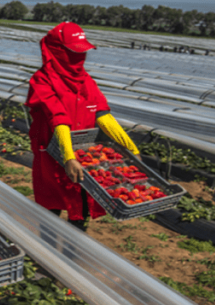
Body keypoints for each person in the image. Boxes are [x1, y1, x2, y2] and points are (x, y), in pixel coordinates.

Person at [25, 21, 139, 229]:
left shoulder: (86, 81)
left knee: (79, 208)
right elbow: (57, 118)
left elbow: (102, 115)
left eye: (82, 52)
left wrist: (131, 148)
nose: (80, 57)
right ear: (57, 50)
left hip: (83, 155)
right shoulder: (41, 81)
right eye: (73, 52)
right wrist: (68, 156)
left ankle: (72, 255)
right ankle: (46, 255)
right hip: (51, 155)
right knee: (50, 209)